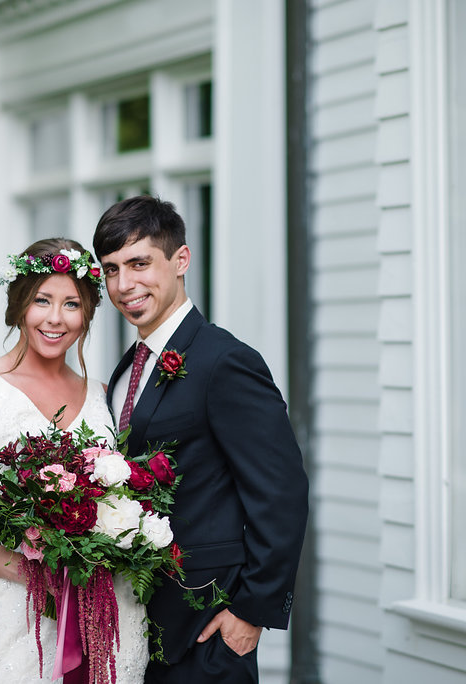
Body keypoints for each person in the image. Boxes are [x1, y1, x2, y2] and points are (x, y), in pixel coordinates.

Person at [93, 196, 309, 684]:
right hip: (140, 622)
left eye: (139, 263)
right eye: (111, 270)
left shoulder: (225, 361)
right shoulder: (128, 368)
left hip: (207, 625)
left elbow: (281, 492)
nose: (123, 285)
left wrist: (251, 611)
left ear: (181, 260)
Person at [0, 238, 149, 684]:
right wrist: (34, 575)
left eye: (71, 304)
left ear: (87, 314)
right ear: (19, 303)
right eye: (42, 300)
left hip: (104, 612)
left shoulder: (105, 397)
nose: (55, 318)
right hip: (8, 616)